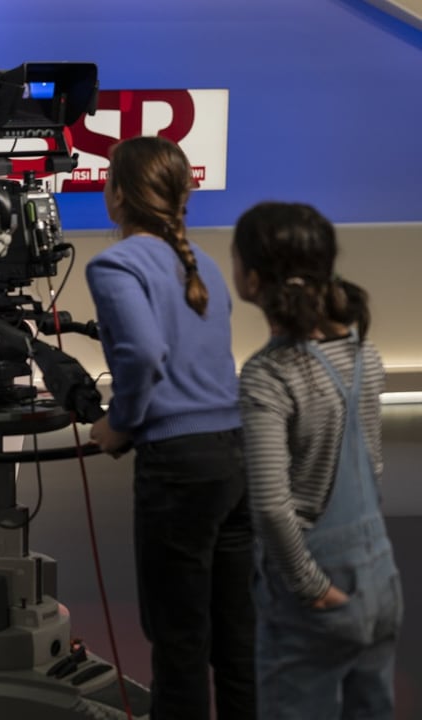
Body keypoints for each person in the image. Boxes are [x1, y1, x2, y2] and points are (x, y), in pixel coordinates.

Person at [85, 135, 256, 719]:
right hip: (235, 459)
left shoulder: (114, 264)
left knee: (180, 645)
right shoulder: (202, 262)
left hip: (179, 467)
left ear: (117, 196)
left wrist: (118, 424)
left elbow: (142, 355)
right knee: (237, 644)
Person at [233, 201, 402, 719]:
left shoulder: (268, 375)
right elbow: (372, 467)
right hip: (378, 576)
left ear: (254, 280)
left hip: (317, 593)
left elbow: (271, 508)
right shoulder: (364, 355)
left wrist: (313, 590)